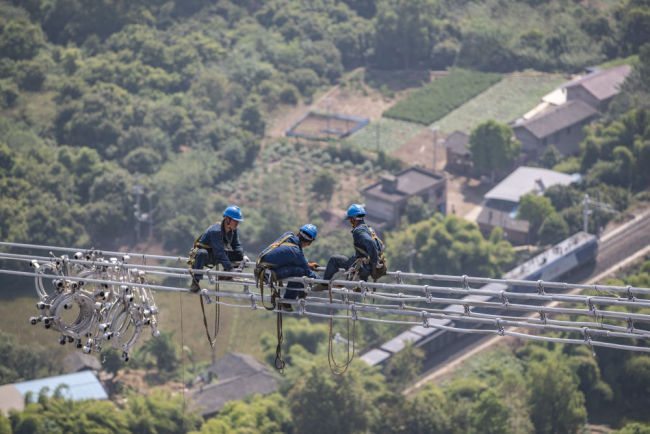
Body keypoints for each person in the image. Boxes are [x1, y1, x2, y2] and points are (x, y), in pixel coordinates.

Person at [256, 224, 319, 311]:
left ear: (297, 234)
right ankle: (288, 301)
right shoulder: (297, 253)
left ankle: (301, 293)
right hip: (268, 273)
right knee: (300, 271)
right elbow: (309, 274)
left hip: (260, 266)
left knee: (299, 268)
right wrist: (326, 282)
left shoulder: (288, 235)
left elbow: (283, 254)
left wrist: (307, 264)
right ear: (309, 243)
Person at [320, 204, 381, 286]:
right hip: (367, 267)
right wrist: (374, 263)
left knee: (334, 259)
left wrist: (374, 263)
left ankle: (324, 285)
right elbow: (377, 246)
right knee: (354, 260)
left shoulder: (358, 231)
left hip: (364, 268)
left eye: (350, 219)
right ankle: (359, 282)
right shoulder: (370, 228)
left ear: (353, 219)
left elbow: (371, 242)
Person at [190, 205, 245, 293]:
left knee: (238, 253)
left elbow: (236, 245)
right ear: (227, 219)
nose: (237, 223)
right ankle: (195, 282)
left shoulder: (233, 230)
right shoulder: (215, 231)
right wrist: (231, 269)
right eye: (235, 221)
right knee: (202, 253)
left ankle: (225, 276)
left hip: (217, 254)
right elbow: (219, 252)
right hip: (207, 255)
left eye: (238, 221)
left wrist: (243, 256)